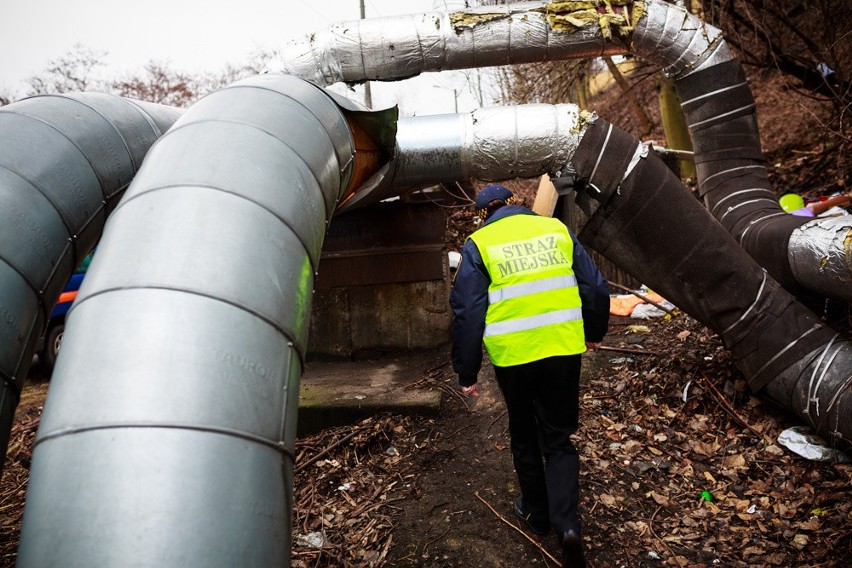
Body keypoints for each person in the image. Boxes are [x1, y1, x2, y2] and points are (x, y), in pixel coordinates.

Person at [450, 184, 609, 568]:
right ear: (515, 204)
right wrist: (593, 332)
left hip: (515, 357)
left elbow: (468, 312)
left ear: (484, 213)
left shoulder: (479, 244)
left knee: (523, 433)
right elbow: (595, 286)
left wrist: (467, 371)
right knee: (558, 438)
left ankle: (537, 516)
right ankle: (568, 526)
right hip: (562, 349)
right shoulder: (555, 230)